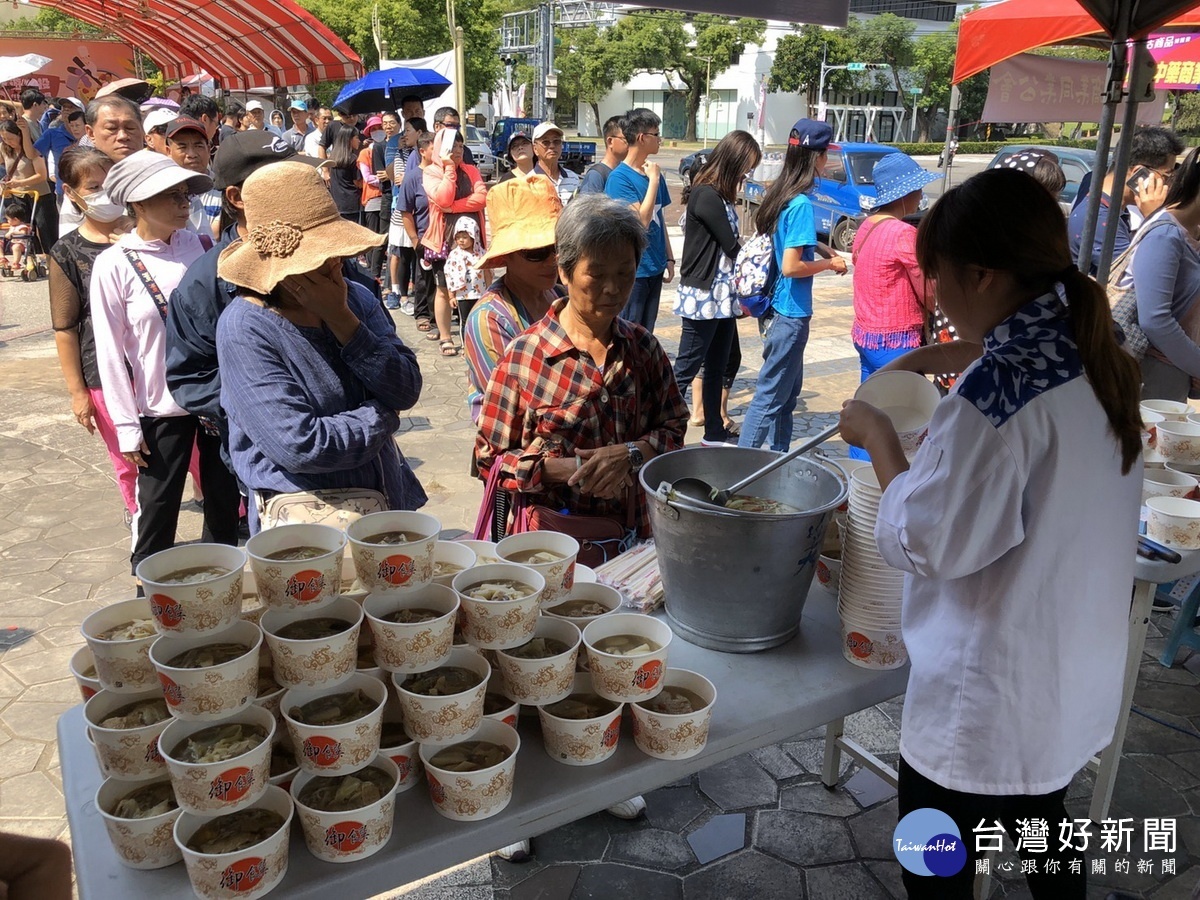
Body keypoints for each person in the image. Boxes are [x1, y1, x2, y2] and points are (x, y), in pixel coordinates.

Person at [839, 166, 1143, 900]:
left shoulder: (994, 398)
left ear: (978, 274)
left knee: (935, 862)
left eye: (936, 276)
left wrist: (879, 437)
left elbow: (924, 541)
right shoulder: (1095, 355)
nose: (933, 296)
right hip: (1063, 680)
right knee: (1046, 831)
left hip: (983, 699)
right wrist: (962, 357)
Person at [215, 160, 426, 532]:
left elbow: (405, 387)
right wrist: (381, 417)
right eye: (320, 257)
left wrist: (345, 322)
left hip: (384, 501)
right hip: (305, 526)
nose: (336, 263)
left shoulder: (356, 298)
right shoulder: (245, 327)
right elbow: (300, 444)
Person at [476, 191, 687, 540]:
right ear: (565, 270)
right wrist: (564, 470)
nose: (612, 288)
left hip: (632, 538)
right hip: (548, 546)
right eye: (597, 274)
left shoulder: (643, 349)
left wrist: (631, 453)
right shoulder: (524, 358)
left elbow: (674, 428)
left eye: (625, 272)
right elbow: (489, 460)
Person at [165, 131, 375, 459]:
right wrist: (270, 399)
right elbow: (190, 377)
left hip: (360, 444)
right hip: (269, 459)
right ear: (237, 197)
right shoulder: (205, 284)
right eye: (278, 179)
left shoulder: (336, 258)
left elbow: (383, 347)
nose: (297, 185)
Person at [89, 150, 241, 580]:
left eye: (184, 193)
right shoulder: (114, 264)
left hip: (213, 397)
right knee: (156, 510)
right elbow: (110, 351)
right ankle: (149, 605)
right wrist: (126, 426)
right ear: (136, 204)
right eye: (169, 195)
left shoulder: (204, 247)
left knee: (224, 504)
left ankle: (220, 592)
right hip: (159, 408)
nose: (183, 203)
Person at [738, 119, 848, 453]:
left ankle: (779, 459)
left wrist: (821, 246)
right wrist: (830, 263)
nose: (826, 162)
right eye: (825, 154)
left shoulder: (781, 193)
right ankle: (739, 468)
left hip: (775, 311)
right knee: (770, 398)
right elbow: (791, 266)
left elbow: (785, 243)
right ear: (816, 157)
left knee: (786, 396)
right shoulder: (800, 203)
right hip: (790, 315)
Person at [48, 146, 138, 520]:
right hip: (103, 373)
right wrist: (77, 393)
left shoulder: (146, 236)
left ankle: (226, 514)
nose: (104, 194)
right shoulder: (67, 252)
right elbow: (65, 328)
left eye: (109, 183)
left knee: (197, 451)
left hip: (157, 366)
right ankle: (139, 517)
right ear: (71, 193)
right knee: (126, 458)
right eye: (93, 187)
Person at [673, 130, 761, 447]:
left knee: (718, 365)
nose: (746, 174)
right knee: (686, 367)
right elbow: (730, 245)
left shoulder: (719, 194)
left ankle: (714, 432)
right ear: (733, 161)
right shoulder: (706, 194)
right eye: (746, 166)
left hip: (722, 295)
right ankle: (656, 430)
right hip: (703, 295)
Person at [463, 177, 562, 423]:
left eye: (559, 247)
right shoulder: (490, 319)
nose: (553, 260)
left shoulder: (561, 297)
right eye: (536, 252)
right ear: (507, 256)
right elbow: (512, 409)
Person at [1127, 146, 1200, 402]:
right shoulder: (1166, 235)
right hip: (1151, 375)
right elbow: (1155, 319)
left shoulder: (1188, 234)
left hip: (1174, 372)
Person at [1068, 125, 1182, 274]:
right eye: (1167, 176)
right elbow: (1146, 274)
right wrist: (1156, 219)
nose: (1167, 184)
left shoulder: (1112, 209)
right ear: (1139, 173)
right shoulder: (1098, 219)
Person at [605, 108, 674, 333]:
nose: (660, 140)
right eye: (656, 135)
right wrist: (653, 181)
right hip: (634, 270)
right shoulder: (619, 178)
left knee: (647, 333)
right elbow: (641, 223)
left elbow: (659, 218)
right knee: (629, 331)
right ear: (643, 138)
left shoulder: (654, 173)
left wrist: (670, 258)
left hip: (655, 266)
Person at [422, 127, 486, 356]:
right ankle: (446, 336)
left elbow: (481, 198)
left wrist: (452, 208)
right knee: (443, 289)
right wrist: (449, 168)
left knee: (476, 287)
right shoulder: (430, 172)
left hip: (473, 241)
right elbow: (442, 197)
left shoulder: (471, 170)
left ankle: (476, 335)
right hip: (444, 241)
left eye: (460, 146)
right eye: (452, 146)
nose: (457, 151)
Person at [400, 130, 438, 332]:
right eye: (434, 148)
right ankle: (423, 313)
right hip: (424, 235)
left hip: (444, 234)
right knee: (424, 277)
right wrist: (415, 239)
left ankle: (441, 315)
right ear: (423, 151)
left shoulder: (445, 172)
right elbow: (406, 211)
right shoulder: (413, 177)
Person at [1, 118, 57, 253]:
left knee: (46, 231)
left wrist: (20, 182)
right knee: (23, 232)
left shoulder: (33, 149)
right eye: (4, 139)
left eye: (10, 138)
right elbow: (6, 169)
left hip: (40, 195)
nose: (8, 142)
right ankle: (30, 258)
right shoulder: (4, 149)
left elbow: (41, 175)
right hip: (18, 195)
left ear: (19, 134)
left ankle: (52, 260)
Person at [385, 116, 423, 312]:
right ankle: (400, 294)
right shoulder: (401, 153)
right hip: (401, 209)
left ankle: (416, 295)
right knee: (400, 253)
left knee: (417, 255)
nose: (404, 134)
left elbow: (414, 177)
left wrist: (409, 177)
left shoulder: (424, 153)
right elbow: (397, 179)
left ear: (420, 134)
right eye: (405, 130)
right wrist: (395, 151)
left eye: (408, 130)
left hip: (420, 211)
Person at [164, 116, 219, 236]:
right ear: (168, 151)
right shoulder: (159, 195)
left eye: (198, 146)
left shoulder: (224, 190)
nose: (191, 154)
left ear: (209, 149)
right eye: (182, 147)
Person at [443, 217, 489, 327]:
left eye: (465, 237)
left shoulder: (481, 253)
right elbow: (449, 276)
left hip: (480, 293)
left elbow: (487, 273)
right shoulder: (454, 255)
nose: (461, 240)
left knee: (480, 320)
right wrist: (451, 296)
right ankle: (465, 343)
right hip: (463, 296)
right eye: (458, 237)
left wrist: (489, 290)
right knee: (465, 321)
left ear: (474, 237)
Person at [358, 116, 386, 283]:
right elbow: (367, 178)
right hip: (372, 199)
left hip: (386, 198)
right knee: (373, 236)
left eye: (379, 128)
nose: (378, 132)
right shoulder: (365, 153)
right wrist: (384, 178)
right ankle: (372, 272)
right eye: (374, 129)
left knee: (383, 237)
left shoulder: (388, 147)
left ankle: (375, 271)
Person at [34, 106, 85, 197]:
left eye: (77, 125)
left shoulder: (94, 141)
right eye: (65, 109)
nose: (74, 128)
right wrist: (24, 131)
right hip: (64, 192)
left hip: (87, 191)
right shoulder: (52, 134)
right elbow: (33, 154)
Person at [531, 122, 581, 205]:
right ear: (535, 149)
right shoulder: (529, 182)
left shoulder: (573, 178)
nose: (552, 146)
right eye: (545, 142)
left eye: (556, 141)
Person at [579, 115, 627, 195]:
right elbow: (587, 207)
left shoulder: (625, 171)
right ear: (610, 142)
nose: (632, 144)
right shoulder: (596, 175)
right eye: (627, 139)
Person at [327, 127, 364, 223]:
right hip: (352, 203)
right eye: (356, 138)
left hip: (337, 202)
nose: (359, 141)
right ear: (349, 139)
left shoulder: (333, 157)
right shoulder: (352, 158)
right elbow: (358, 183)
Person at [3, 197, 32, 268]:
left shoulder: (22, 226)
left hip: (22, 245)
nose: (7, 221)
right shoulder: (12, 226)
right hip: (11, 243)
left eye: (8, 220)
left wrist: (13, 233)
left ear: (15, 219)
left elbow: (23, 233)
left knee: (16, 247)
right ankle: (2, 258)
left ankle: (16, 263)